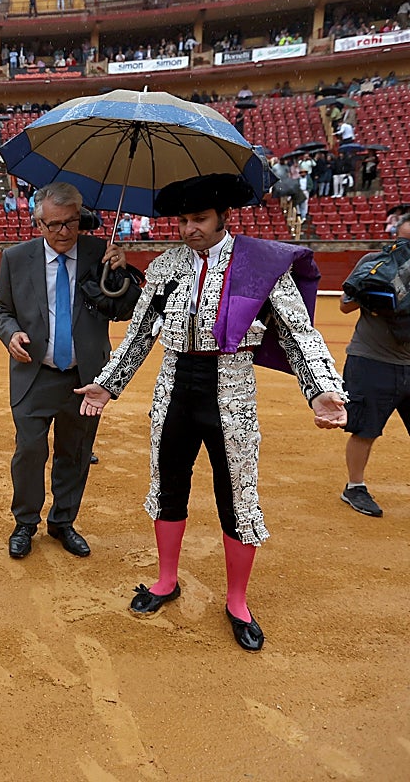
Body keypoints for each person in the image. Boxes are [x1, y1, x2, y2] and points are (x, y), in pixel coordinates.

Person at [76, 174, 348, 652]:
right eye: (182, 220)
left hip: (232, 392)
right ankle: (165, 580)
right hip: (174, 389)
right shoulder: (164, 268)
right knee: (168, 484)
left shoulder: (259, 266)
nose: (188, 229)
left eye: (198, 219)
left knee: (238, 495)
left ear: (224, 216)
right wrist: (107, 386)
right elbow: (140, 335)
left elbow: (297, 333)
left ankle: (238, 601)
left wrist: (321, 390)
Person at [0, 183, 129, 560]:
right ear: (38, 223)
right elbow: (0, 310)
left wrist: (122, 272)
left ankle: (63, 521)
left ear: (81, 217)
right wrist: (11, 334)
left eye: (71, 223)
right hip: (34, 373)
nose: (64, 232)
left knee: (76, 451)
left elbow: (126, 308)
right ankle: (25, 521)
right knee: (30, 450)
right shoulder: (16, 258)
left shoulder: (101, 253)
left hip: (85, 377)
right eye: (54, 225)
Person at [337, 214, 410, 517]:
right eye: (404, 242)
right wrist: (371, 297)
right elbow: (344, 304)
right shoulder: (373, 261)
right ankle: (354, 487)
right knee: (365, 429)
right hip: (371, 360)